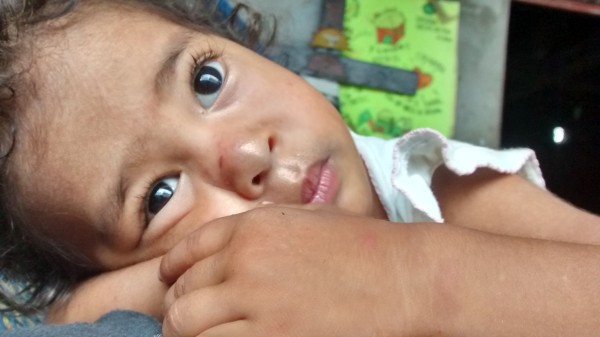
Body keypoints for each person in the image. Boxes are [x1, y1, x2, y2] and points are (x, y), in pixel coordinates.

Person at [1, 0, 600, 336]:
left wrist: (408, 279)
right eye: (159, 195)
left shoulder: (433, 184)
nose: (245, 154)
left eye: (206, 81)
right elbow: (55, 319)